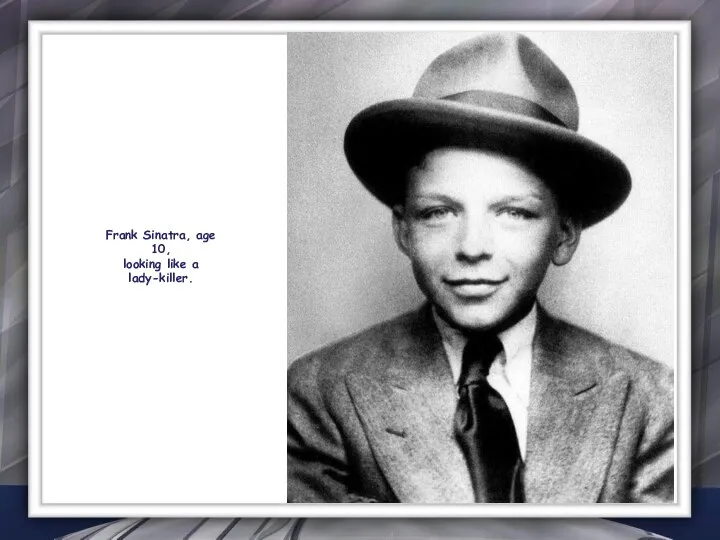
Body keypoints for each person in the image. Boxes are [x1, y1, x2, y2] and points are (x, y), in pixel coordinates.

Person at [287, 33, 674, 504]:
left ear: (565, 234)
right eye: (438, 212)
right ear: (403, 229)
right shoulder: (320, 393)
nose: (472, 247)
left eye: (514, 212)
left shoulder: (652, 400)